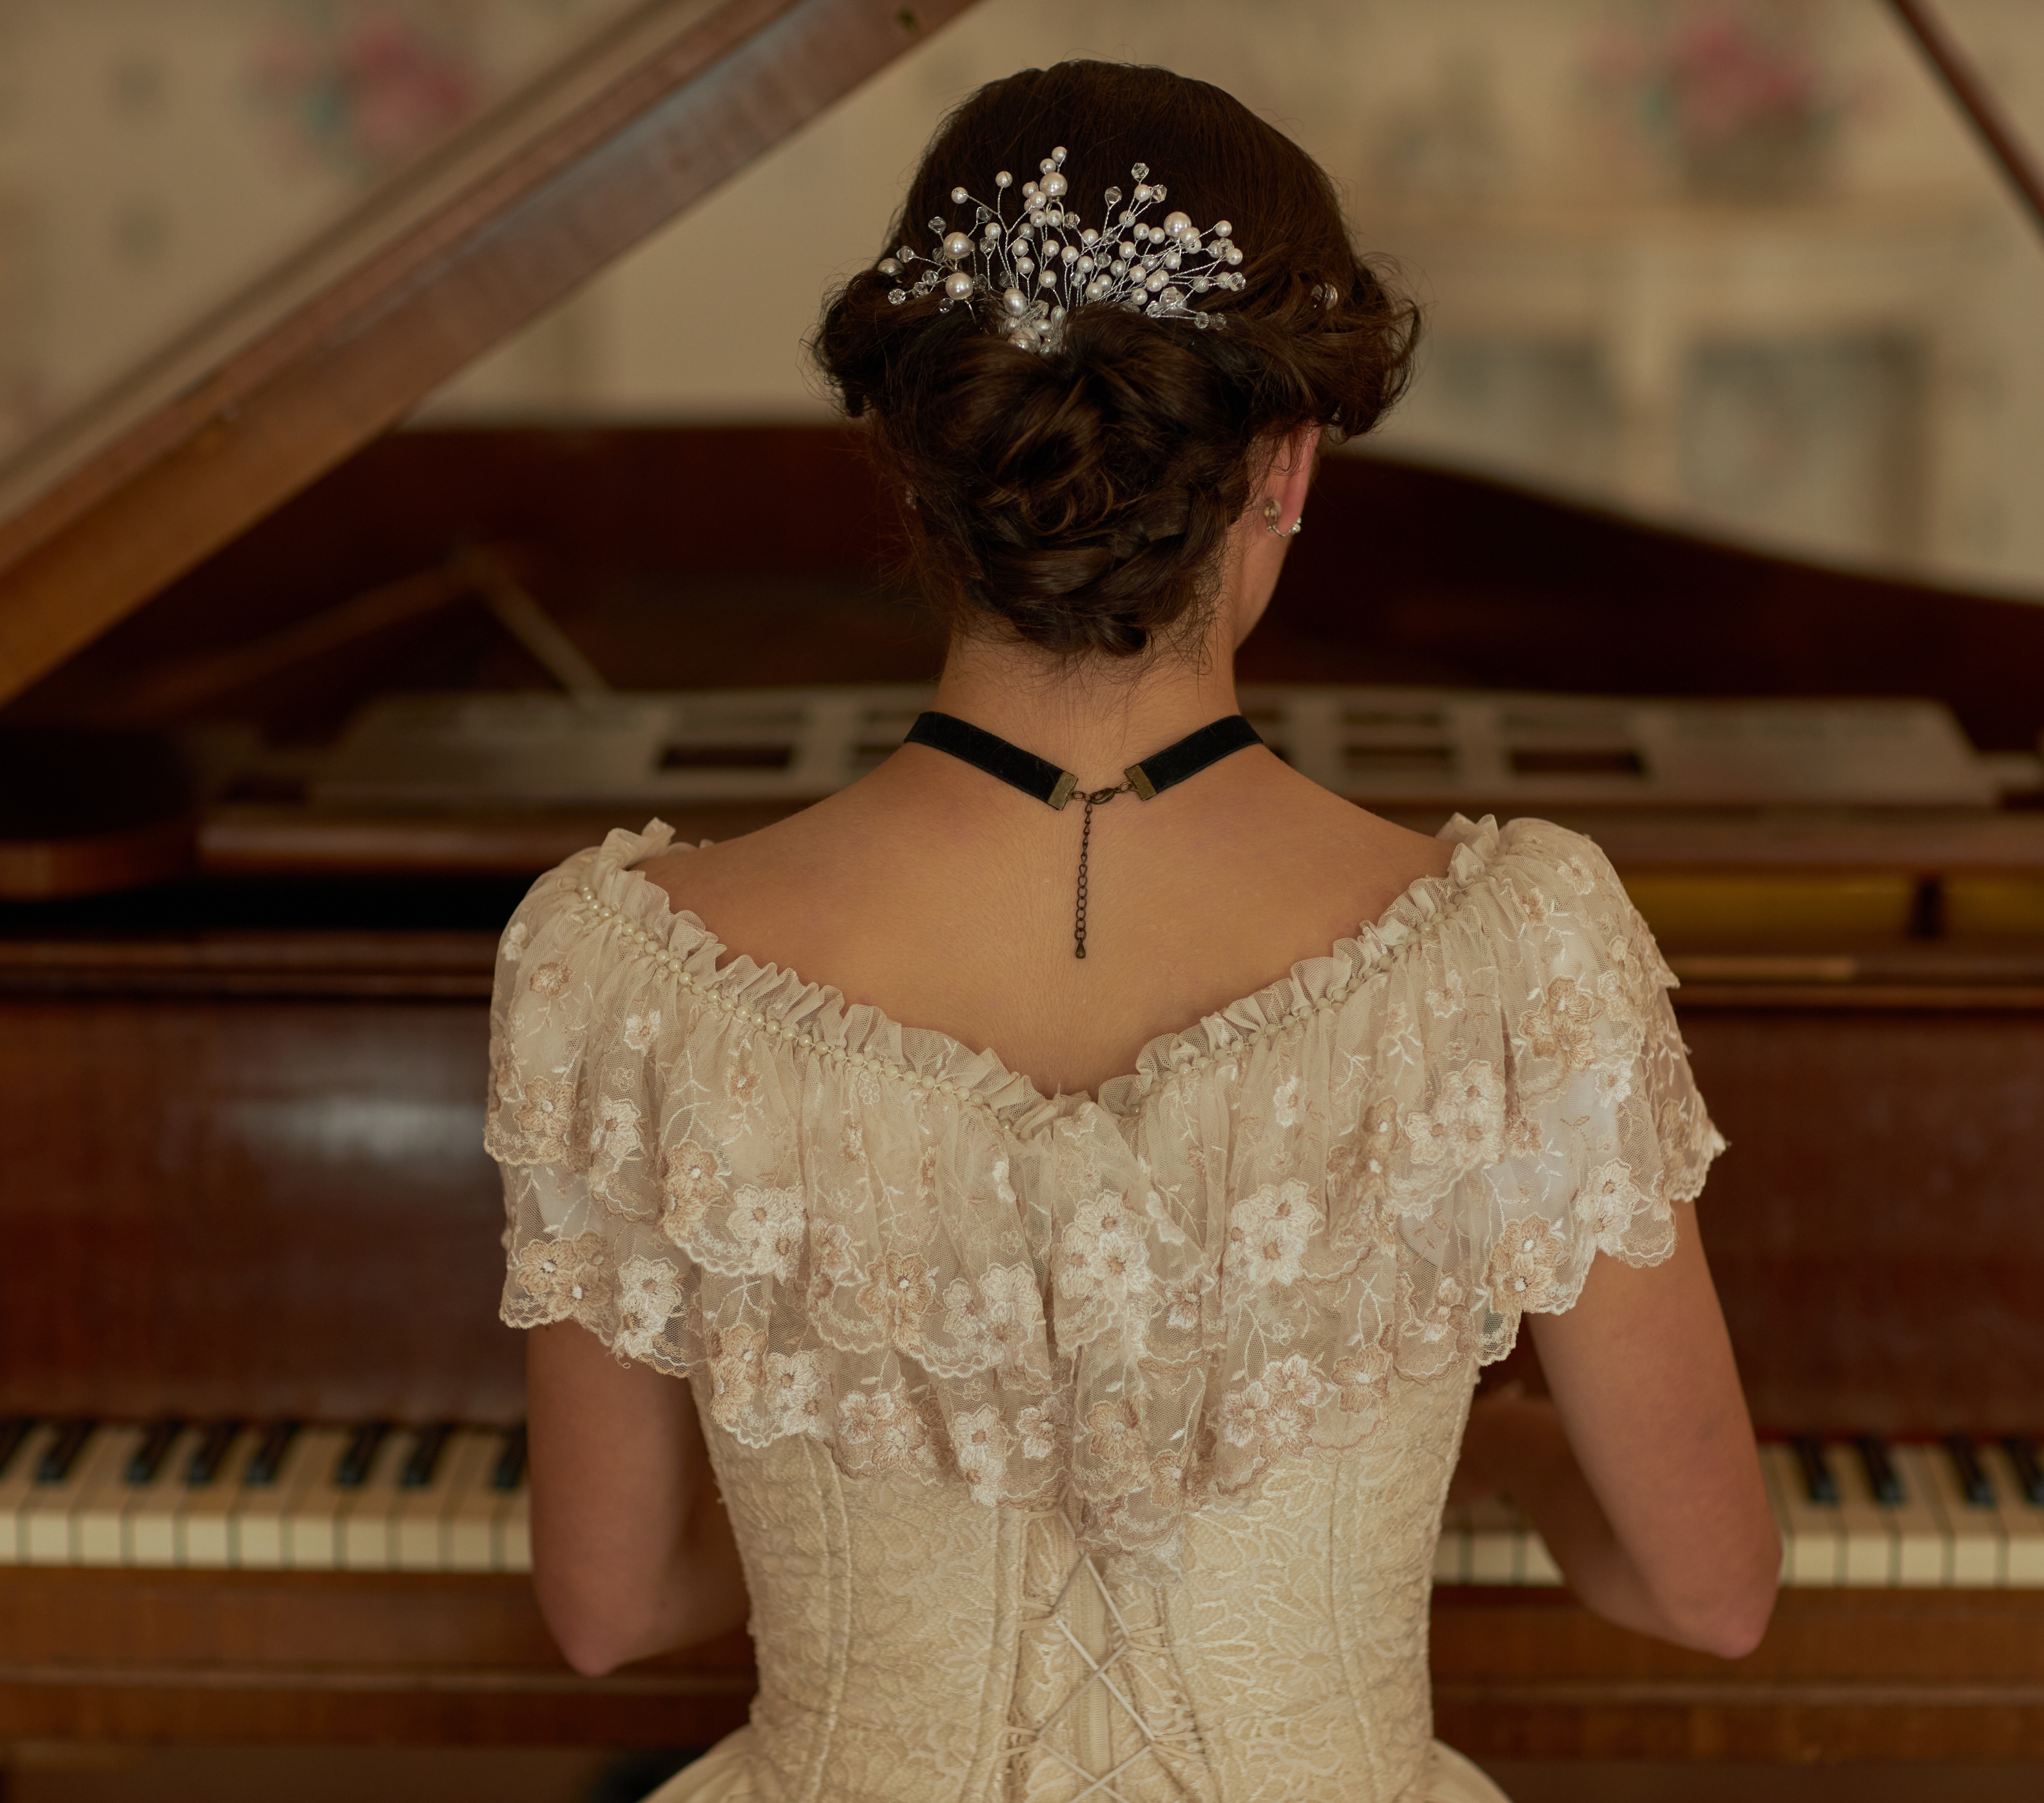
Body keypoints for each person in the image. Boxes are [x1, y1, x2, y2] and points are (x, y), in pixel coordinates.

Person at [487, 59, 1778, 1802]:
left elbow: (607, 1605)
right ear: (1286, 469)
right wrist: (1498, 1463)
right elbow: (1707, 1592)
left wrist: (837, 1515)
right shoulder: (1521, 953)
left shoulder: (613, 971)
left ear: (918, 468)